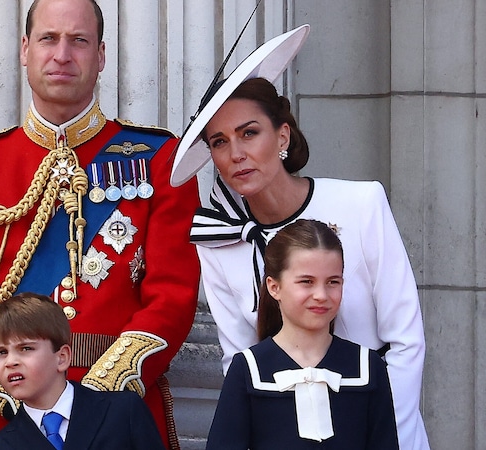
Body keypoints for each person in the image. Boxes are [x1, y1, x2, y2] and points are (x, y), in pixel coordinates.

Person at [0, 0, 200, 448]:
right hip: (11, 415)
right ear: (25, 49)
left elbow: (172, 294)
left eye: (79, 41)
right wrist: (20, 390)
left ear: (101, 55)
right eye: (48, 38)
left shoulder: (158, 160)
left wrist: (93, 401)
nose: (61, 54)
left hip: (119, 415)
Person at [170, 25, 429, 450]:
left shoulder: (362, 203)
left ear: (283, 135)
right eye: (220, 142)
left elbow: (405, 341)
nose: (236, 153)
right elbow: (241, 360)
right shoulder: (218, 241)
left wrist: (375, 436)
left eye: (249, 133)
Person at [205, 219, 399, 449]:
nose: (321, 294)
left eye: (333, 282)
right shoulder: (249, 368)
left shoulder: (368, 367)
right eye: (307, 281)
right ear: (274, 286)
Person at [0, 292, 166, 450]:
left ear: (62, 357)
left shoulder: (123, 412)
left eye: (26, 348)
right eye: (1, 352)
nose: (10, 362)